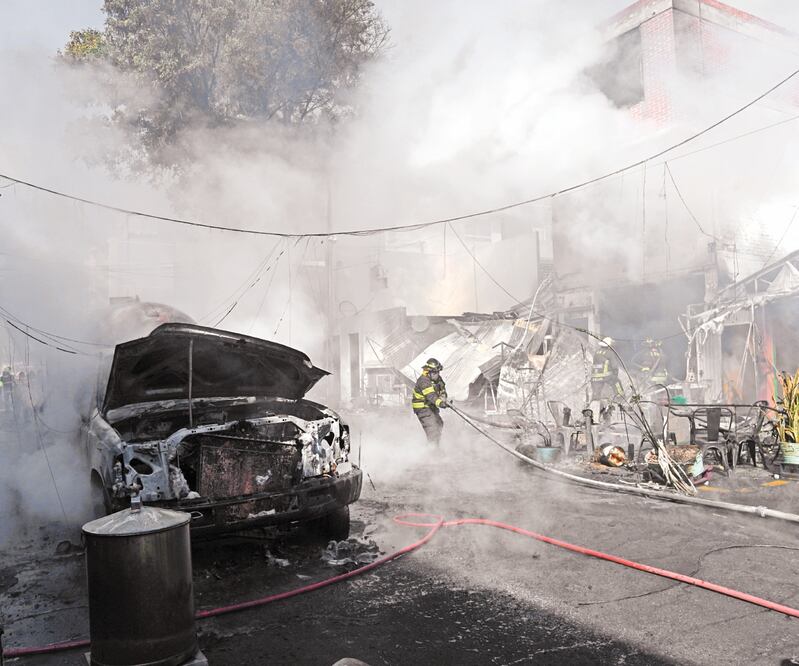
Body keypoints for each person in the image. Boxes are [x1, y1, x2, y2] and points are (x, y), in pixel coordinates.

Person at [412, 358, 449, 446]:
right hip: (422, 408)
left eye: (438, 372)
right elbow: (431, 396)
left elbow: (442, 388)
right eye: (435, 372)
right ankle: (433, 452)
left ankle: (435, 447)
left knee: (439, 423)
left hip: (430, 406)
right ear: (429, 372)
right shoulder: (423, 381)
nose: (437, 375)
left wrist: (444, 396)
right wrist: (441, 403)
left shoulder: (437, 379)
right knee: (432, 428)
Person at [591, 338, 622, 422]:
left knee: (596, 396)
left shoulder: (596, 353)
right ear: (609, 346)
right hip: (606, 377)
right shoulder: (610, 353)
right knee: (617, 382)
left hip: (594, 378)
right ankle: (620, 397)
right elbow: (614, 366)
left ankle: (593, 417)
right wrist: (615, 374)